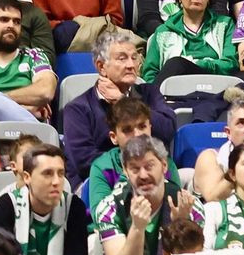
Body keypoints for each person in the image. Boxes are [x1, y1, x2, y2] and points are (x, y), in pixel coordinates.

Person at [58, 29, 177, 187]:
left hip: (150, 177)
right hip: (101, 181)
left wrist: (122, 100)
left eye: (134, 58)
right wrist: (135, 168)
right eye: (122, 58)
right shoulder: (78, 108)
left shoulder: (149, 93)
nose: (131, 65)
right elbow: (84, 161)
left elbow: (168, 128)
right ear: (101, 66)